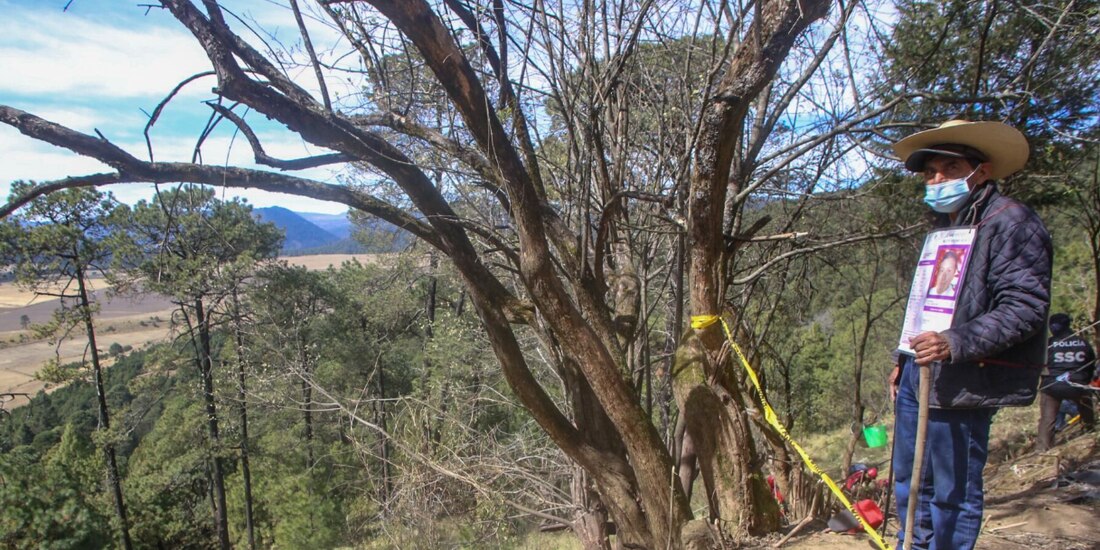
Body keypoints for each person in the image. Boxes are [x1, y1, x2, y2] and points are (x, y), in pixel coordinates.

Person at [888, 120, 1053, 550]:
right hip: (917, 372)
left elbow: (1025, 307)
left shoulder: (1012, 223)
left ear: (980, 171)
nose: (937, 179)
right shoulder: (944, 227)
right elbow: (929, 300)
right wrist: (902, 357)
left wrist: (954, 343)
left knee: (951, 491)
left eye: (950, 167)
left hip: (964, 377)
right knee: (909, 479)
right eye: (930, 173)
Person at [1037, 313, 1097, 450]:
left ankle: (1042, 449)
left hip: (1052, 386)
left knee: (1047, 419)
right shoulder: (1083, 342)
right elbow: (1091, 365)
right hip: (1078, 384)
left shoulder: (1048, 345)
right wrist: (1085, 381)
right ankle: (1090, 430)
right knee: (1086, 403)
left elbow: (1039, 366)